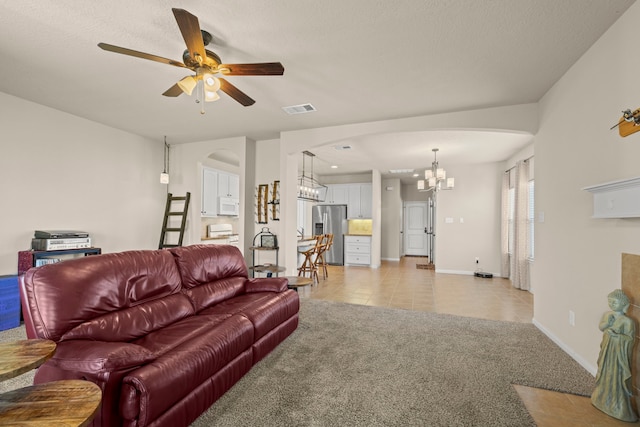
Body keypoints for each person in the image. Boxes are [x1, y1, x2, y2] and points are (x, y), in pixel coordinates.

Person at [591, 289, 638, 422]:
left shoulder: (628, 322)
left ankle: (619, 406)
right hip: (606, 351)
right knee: (605, 371)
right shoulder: (608, 315)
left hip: (618, 356)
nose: (611, 304)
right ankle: (601, 397)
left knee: (616, 375)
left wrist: (617, 336)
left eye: (615, 302)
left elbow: (630, 340)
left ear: (623, 304)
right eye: (610, 301)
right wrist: (607, 324)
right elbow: (601, 327)